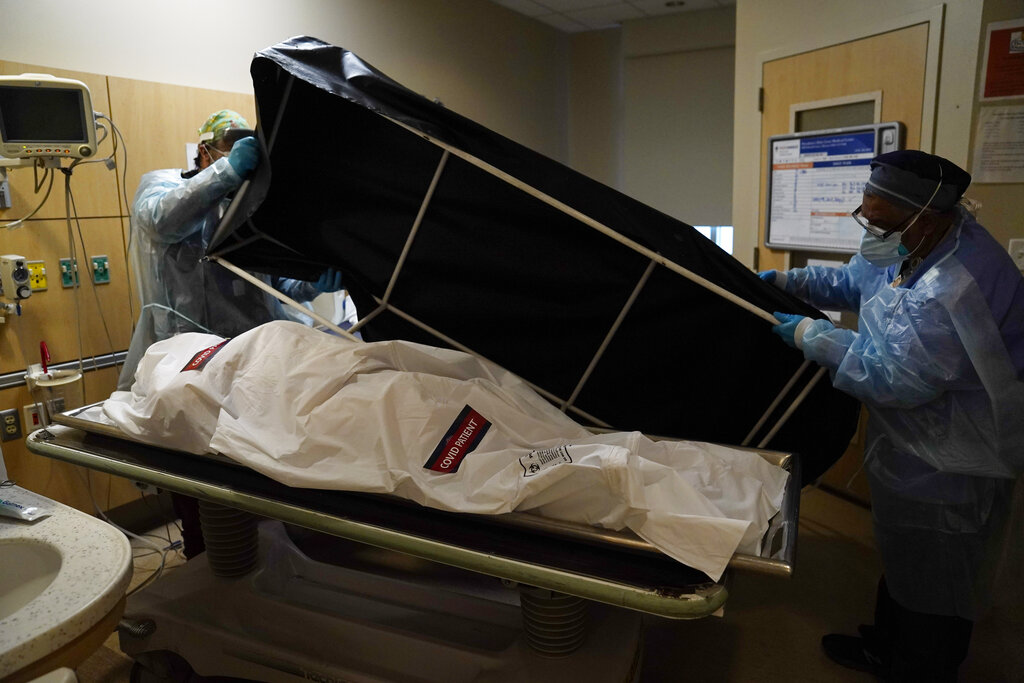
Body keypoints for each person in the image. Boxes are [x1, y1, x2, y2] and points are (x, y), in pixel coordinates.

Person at [759, 150, 1024, 681]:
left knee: (936, 574)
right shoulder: (917, 242)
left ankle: (919, 666)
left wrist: (817, 338)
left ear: (924, 216)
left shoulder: (955, 287)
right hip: (916, 446)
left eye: (879, 222)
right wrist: (793, 283)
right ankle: (889, 643)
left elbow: (896, 380)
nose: (869, 229)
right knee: (906, 557)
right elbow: (858, 280)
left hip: (951, 461)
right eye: (865, 215)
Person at [119, 109, 344, 556]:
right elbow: (162, 221)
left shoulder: (245, 207)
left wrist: (313, 282)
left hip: (251, 369)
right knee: (198, 486)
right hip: (185, 366)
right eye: (230, 146)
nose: (241, 161)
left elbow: (275, 283)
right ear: (205, 151)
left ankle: (271, 561)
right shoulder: (163, 184)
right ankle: (206, 559)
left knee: (257, 477)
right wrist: (226, 171)